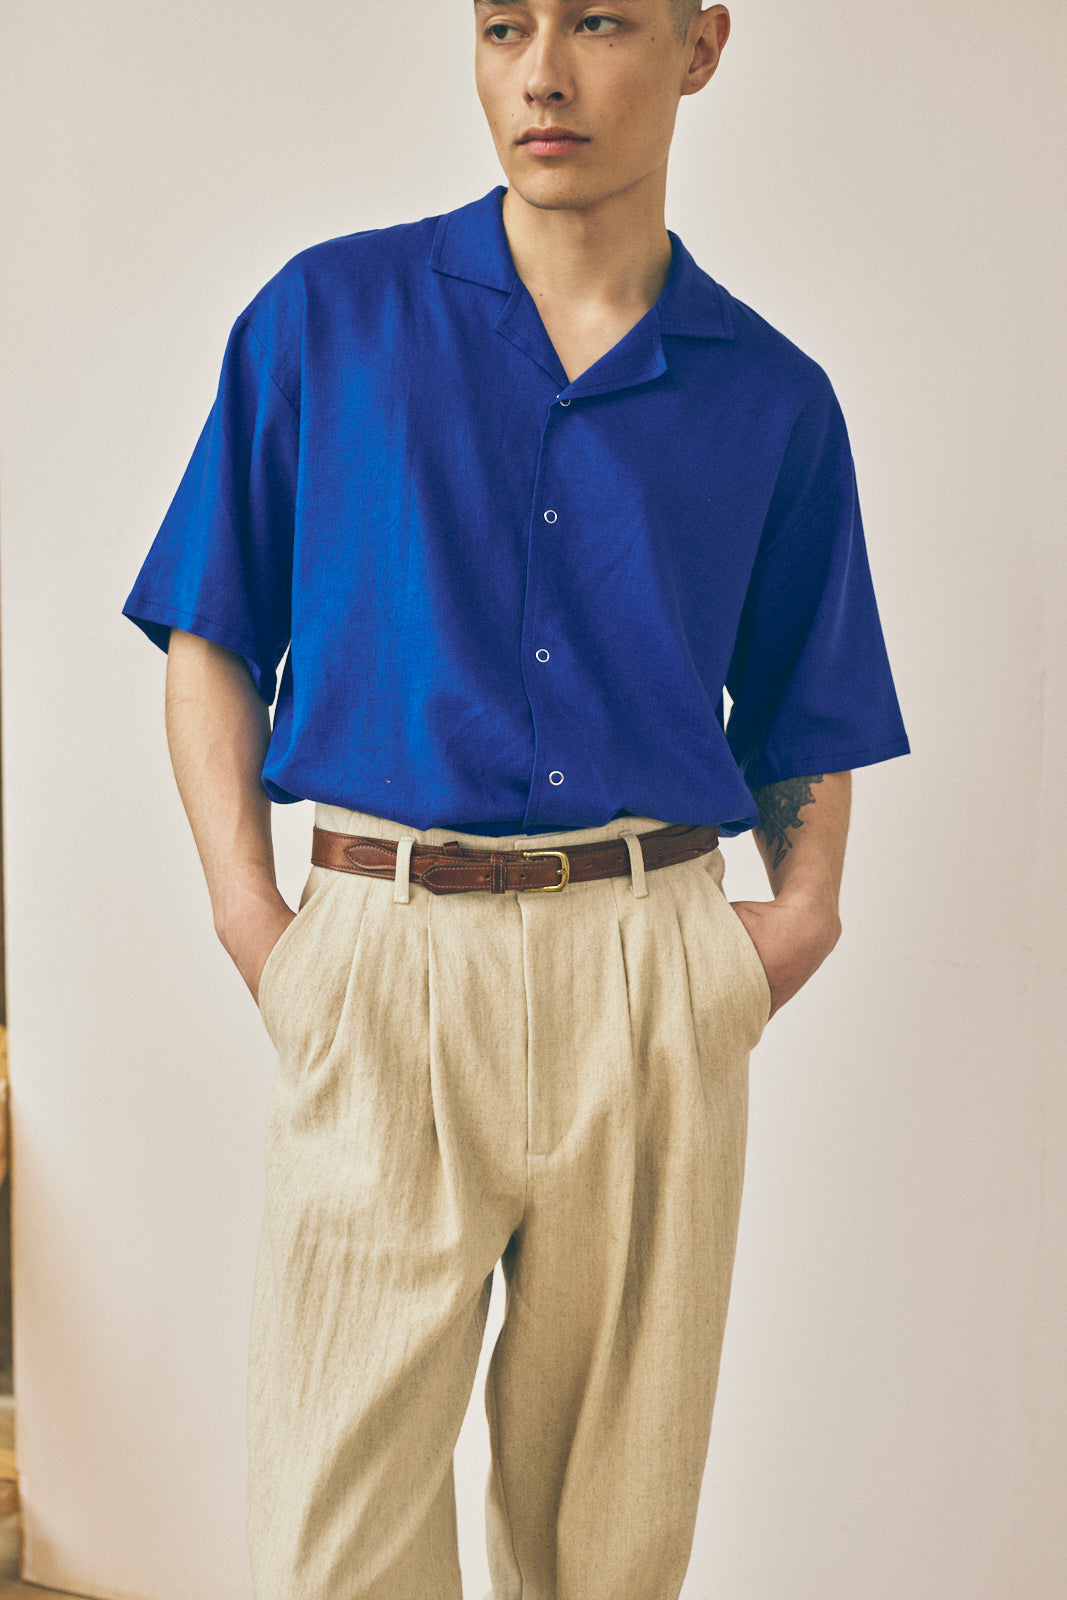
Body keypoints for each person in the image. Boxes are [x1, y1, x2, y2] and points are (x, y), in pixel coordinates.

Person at [122, 2, 909, 1595]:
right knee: (333, 1548)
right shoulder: (326, 320)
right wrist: (254, 923)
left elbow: (804, 705)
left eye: (599, 19)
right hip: (382, 956)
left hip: (649, 972)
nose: (542, 71)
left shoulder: (773, 398)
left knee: (610, 1546)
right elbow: (210, 628)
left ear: (700, 47)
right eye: (503, 26)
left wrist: (796, 920)